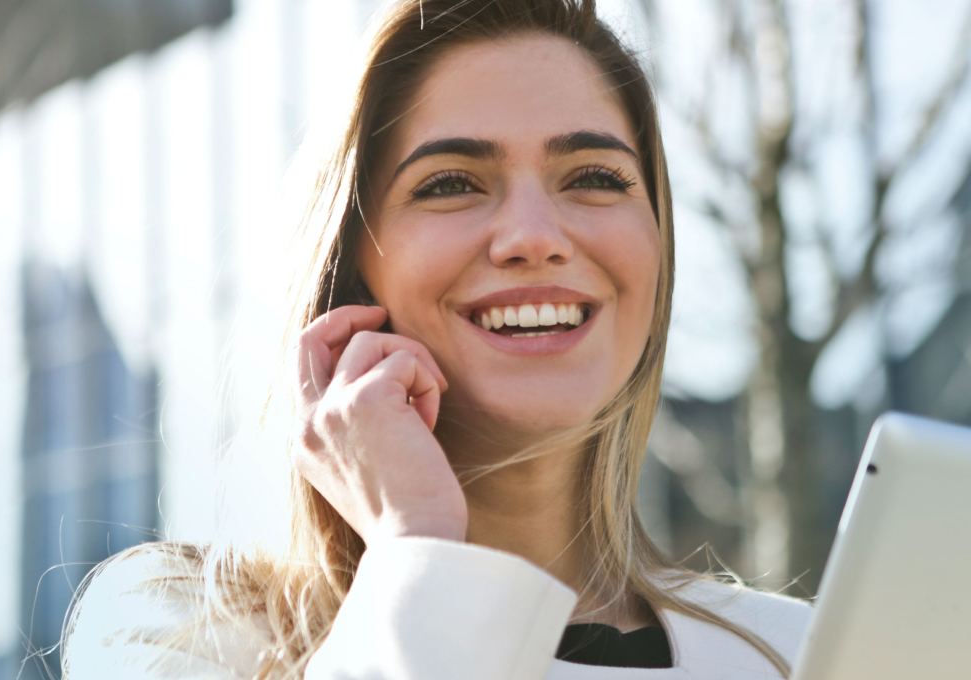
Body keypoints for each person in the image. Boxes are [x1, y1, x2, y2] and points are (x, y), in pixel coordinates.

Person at [62, 1, 812, 678]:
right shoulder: (181, 634)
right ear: (352, 267)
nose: (534, 237)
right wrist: (417, 549)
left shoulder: (797, 653)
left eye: (594, 175)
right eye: (451, 182)